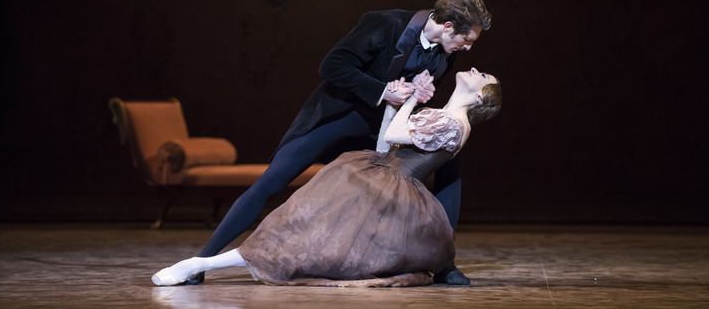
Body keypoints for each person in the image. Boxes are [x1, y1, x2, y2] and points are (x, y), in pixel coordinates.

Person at [190, 0, 493, 285]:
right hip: (341, 116)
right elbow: (332, 66)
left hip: (382, 128)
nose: (468, 48)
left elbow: (413, 90)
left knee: (451, 160)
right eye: (467, 40)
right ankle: (202, 260)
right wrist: (384, 91)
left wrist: (418, 94)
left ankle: (443, 264)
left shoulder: (445, 52)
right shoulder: (386, 24)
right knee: (273, 180)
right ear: (449, 26)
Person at [152, 68, 502, 287]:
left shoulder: (453, 123)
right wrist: (398, 101)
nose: (474, 70)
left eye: (483, 76)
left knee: (304, 236)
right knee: (299, 232)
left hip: (384, 190)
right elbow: (385, 145)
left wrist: (407, 99)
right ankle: (202, 264)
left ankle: (201, 264)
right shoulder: (444, 117)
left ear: (480, 96)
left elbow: (395, 137)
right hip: (378, 175)